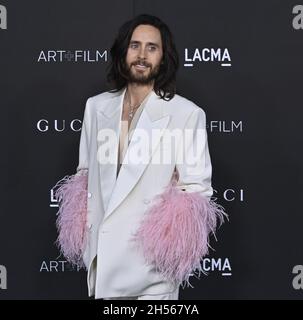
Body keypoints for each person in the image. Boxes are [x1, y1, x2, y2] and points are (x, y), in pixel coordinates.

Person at [53, 14, 227, 300]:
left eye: (152, 47)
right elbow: (86, 176)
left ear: (163, 57)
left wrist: (162, 251)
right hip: (103, 263)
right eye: (135, 45)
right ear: (123, 52)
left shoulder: (185, 114)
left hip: (150, 274)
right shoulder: (96, 107)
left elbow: (196, 189)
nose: (142, 55)